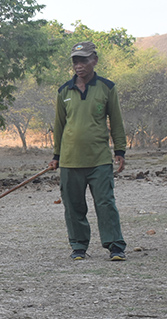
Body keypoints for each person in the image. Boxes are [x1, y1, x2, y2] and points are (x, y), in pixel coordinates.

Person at [48, 41, 127, 261]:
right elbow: (60, 125)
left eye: (83, 60)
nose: (79, 65)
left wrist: (120, 150)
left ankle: (115, 247)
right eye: (75, 61)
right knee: (73, 206)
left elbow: (117, 122)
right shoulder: (64, 90)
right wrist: (56, 156)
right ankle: (79, 247)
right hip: (70, 160)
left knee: (105, 203)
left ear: (94, 60)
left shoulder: (107, 87)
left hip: (99, 159)